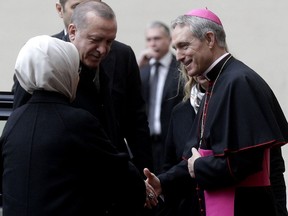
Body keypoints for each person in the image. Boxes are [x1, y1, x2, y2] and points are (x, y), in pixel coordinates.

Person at [145, 8, 288, 216]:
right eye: (176, 48)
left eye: (184, 46)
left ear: (210, 39)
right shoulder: (217, 82)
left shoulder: (239, 81)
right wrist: (162, 183)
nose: (178, 56)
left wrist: (200, 167)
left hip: (245, 207)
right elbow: (197, 156)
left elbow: (245, 162)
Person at [0, 35, 146, 216]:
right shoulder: (77, 121)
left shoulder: (14, 120)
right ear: (65, 72)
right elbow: (122, 177)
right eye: (75, 70)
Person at [13, 0, 154, 177]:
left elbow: (136, 122)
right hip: (64, 177)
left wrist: (146, 178)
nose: (102, 50)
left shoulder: (122, 55)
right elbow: (22, 120)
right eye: (77, 6)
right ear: (72, 29)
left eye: (109, 41)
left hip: (114, 175)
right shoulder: (41, 55)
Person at [138, 21, 184, 175]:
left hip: (171, 143)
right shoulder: (143, 70)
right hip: (147, 143)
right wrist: (137, 68)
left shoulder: (181, 68)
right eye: (149, 40)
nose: (152, 44)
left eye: (157, 39)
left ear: (169, 40)